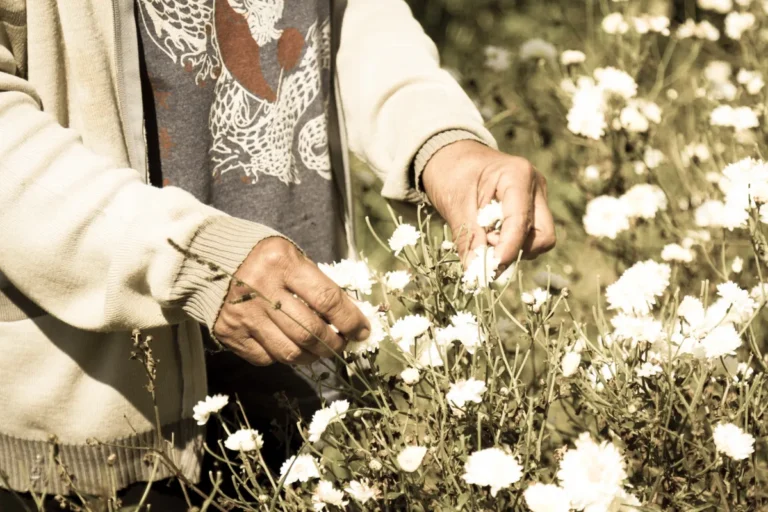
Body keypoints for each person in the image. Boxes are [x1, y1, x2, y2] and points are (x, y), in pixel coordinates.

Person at [0, 0, 555, 508]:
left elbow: (348, 19)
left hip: (306, 380)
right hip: (104, 421)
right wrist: (191, 258)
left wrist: (441, 140)